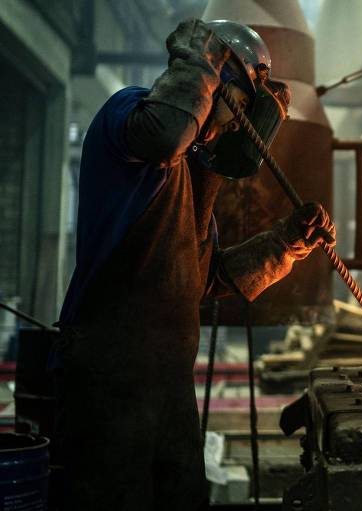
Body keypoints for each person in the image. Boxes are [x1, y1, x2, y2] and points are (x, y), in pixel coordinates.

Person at [53, 19, 334, 511]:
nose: (235, 121)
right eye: (240, 104)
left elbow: (203, 280)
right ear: (216, 84)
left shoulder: (194, 176)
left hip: (169, 385)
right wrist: (201, 63)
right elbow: (164, 134)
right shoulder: (128, 115)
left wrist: (287, 244)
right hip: (106, 377)